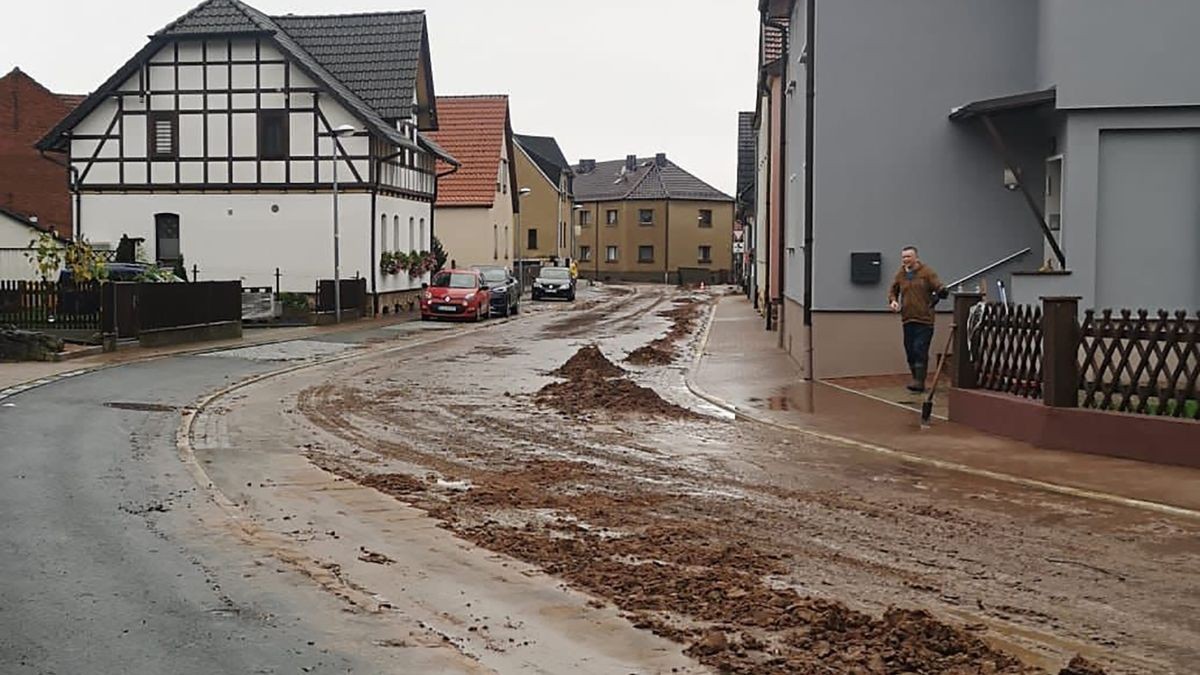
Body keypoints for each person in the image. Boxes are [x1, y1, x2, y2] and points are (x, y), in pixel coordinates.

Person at [887, 246, 947, 393]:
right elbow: (893, 290)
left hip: (924, 319)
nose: (905, 260)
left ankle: (919, 381)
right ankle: (915, 378)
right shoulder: (901, 274)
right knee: (910, 350)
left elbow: (938, 286)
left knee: (920, 348)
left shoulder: (926, 272)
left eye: (908, 257)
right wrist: (893, 301)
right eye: (903, 257)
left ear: (916, 258)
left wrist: (941, 292)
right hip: (907, 318)